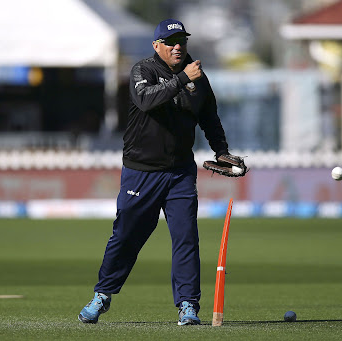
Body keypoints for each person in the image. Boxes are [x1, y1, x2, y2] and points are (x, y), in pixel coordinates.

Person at [78, 19, 245, 326]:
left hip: (180, 171)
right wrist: (182, 79)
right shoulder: (143, 70)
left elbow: (210, 118)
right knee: (127, 234)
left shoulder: (198, 77)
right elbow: (145, 101)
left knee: (186, 237)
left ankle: (188, 305)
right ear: (157, 46)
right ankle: (103, 294)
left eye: (181, 40)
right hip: (141, 171)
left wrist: (220, 150)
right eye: (171, 41)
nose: (178, 46)